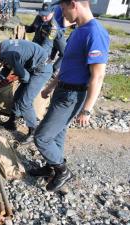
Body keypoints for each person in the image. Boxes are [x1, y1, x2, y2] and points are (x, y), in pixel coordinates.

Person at [31, 0, 110, 192]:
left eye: (63, 8)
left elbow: (98, 75)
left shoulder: (95, 32)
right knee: (57, 134)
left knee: (41, 137)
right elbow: (68, 65)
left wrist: (87, 110)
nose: (62, 13)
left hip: (73, 95)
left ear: (74, 4)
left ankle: (62, 170)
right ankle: (51, 167)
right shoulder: (78, 29)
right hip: (62, 91)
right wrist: (50, 87)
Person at [0, 34, 52, 144]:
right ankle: (11, 123)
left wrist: (25, 85)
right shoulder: (4, 47)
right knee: (18, 95)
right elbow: (7, 67)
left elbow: (24, 76)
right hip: (32, 68)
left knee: (24, 102)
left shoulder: (8, 53)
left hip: (41, 70)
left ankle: (34, 131)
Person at [25, 3, 66, 75]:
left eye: (46, 15)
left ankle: (53, 70)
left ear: (52, 13)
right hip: (41, 41)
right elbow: (32, 28)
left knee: (64, 53)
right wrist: (23, 28)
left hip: (56, 39)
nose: (43, 17)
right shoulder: (38, 18)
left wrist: (36, 56)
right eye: (42, 14)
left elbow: (46, 45)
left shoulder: (53, 28)